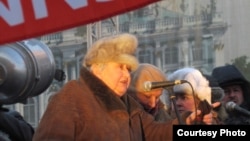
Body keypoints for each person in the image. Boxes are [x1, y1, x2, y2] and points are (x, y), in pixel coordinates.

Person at [33, 33, 214, 141]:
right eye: (120, 67)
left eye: (128, 69)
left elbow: (154, 132)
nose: (127, 75)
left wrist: (188, 122)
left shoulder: (128, 104)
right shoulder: (71, 97)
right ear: (98, 67)